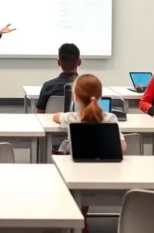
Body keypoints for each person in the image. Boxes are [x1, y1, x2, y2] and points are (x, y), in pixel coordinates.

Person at [52, 74, 126, 233]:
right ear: (100, 96)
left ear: (75, 96)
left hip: (76, 172)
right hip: (109, 173)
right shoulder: (111, 117)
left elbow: (55, 117)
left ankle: (78, 218)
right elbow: (122, 146)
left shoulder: (71, 117)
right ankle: (83, 217)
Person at [36, 43, 81, 113]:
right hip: (78, 120)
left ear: (58, 62)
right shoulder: (87, 87)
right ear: (79, 62)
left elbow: (39, 113)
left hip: (51, 120)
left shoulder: (48, 86)